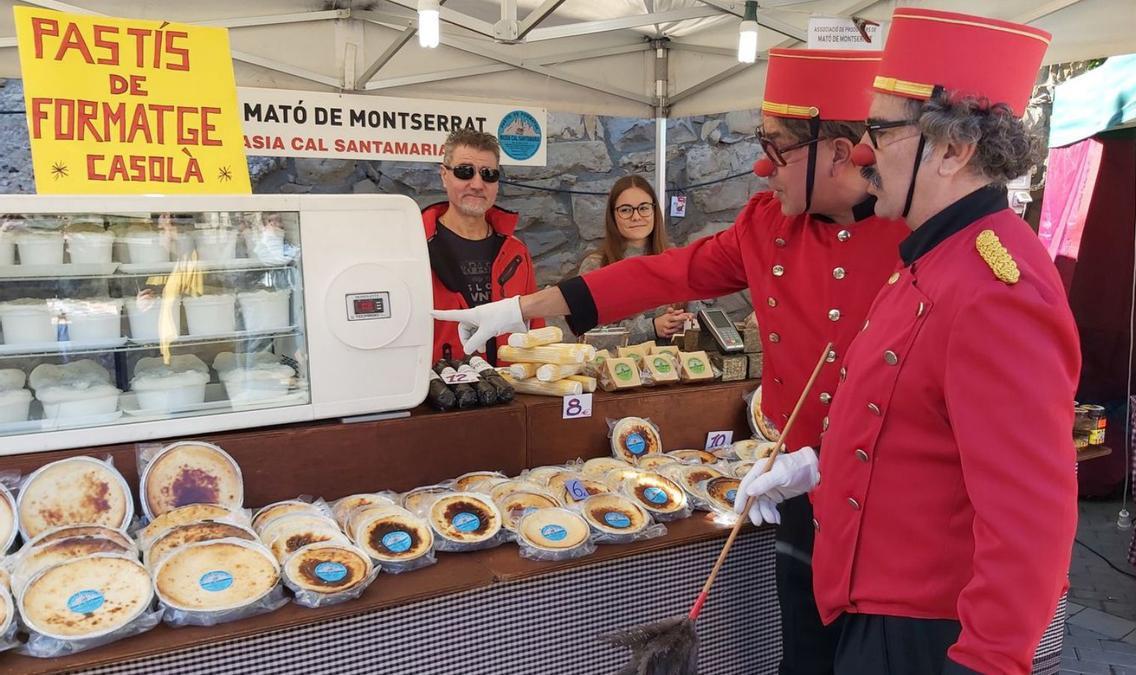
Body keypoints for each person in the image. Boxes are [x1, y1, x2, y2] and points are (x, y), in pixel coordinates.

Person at [433, 49, 909, 675]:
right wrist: (520, 309)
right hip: (797, 494)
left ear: (843, 153)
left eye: (777, 146)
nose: (761, 166)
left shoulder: (916, 232)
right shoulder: (767, 224)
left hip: (891, 509)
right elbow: (661, 273)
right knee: (805, 656)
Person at [739, 9, 1080, 674]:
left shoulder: (996, 288)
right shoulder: (930, 257)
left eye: (881, 130)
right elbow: (902, 422)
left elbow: (1031, 525)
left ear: (954, 151)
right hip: (872, 608)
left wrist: (983, 662)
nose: (861, 152)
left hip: (931, 636)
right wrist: (814, 466)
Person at [424, 128, 541, 364]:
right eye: (465, 172)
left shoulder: (516, 250)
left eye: (488, 174)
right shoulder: (416, 247)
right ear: (444, 175)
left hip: (510, 389)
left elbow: (535, 325)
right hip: (440, 390)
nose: (477, 184)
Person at [577, 175, 695, 344]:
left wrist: (686, 320)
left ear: (654, 210)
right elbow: (587, 336)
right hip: (618, 367)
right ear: (613, 216)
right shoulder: (595, 265)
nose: (636, 216)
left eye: (644, 208)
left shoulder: (676, 258)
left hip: (674, 365)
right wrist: (651, 327)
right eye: (626, 210)